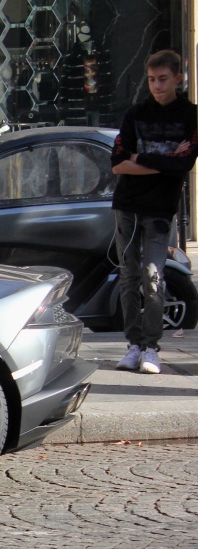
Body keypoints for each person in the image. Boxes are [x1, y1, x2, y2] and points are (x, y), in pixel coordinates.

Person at [109, 49, 197, 375]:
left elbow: (185, 164)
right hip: (127, 207)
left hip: (160, 210)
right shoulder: (135, 115)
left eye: (162, 79)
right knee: (129, 278)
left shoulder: (190, 115)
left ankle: (151, 348)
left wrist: (142, 158)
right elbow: (118, 165)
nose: (157, 86)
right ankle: (133, 345)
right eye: (151, 80)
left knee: (154, 276)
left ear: (177, 78)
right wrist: (165, 160)